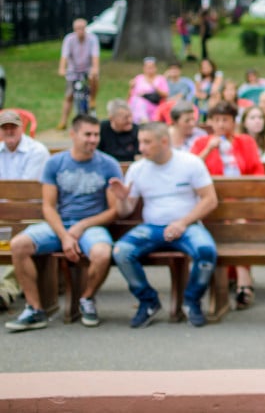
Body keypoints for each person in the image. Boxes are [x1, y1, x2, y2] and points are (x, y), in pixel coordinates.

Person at [6, 115, 121, 331]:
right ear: (73, 135)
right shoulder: (55, 163)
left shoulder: (109, 164)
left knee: (102, 253)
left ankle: (87, 299)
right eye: (88, 134)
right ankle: (34, 309)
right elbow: (48, 207)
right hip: (59, 224)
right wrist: (65, 235)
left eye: (96, 135)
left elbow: (113, 211)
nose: (93, 139)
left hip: (91, 226)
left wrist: (81, 226)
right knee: (18, 244)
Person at [109, 122, 219, 328]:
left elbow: (210, 200)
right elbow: (125, 210)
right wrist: (122, 199)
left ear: (164, 141)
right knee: (121, 251)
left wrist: (183, 223)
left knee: (206, 251)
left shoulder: (190, 163)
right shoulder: (137, 169)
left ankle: (192, 300)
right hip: (152, 227)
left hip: (188, 226)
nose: (140, 148)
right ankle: (148, 300)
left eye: (147, 142)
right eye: (139, 141)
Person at [191, 100, 265, 309]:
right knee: (234, 220)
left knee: (239, 219)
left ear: (233, 122)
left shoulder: (246, 142)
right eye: (217, 120)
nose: (221, 124)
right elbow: (191, 171)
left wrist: (247, 197)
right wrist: (208, 149)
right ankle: (243, 281)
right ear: (211, 122)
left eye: (226, 120)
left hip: (241, 203)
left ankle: (240, 278)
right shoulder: (201, 143)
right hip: (213, 204)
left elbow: (257, 171)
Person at [0, 110, 51, 313]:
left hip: (33, 213)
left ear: (22, 128)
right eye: (5, 127)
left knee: (19, 240)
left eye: (13, 126)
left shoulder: (36, 151)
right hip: (4, 212)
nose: (9, 131)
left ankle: (6, 290)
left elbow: (24, 194)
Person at [57, 18, 100, 129]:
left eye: (82, 28)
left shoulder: (92, 39)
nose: (80, 31)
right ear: (74, 29)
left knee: (94, 77)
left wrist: (95, 69)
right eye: (77, 28)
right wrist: (62, 68)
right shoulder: (69, 39)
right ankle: (63, 121)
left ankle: (92, 99)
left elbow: (95, 57)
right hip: (73, 70)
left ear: (85, 28)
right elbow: (64, 57)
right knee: (69, 95)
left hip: (87, 70)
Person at [128, 57, 169, 124]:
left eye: (151, 67)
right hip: (138, 104)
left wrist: (155, 87)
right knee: (138, 100)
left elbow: (165, 95)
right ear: (144, 68)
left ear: (155, 68)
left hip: (154, 104)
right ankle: (142, 120)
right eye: (148, 67)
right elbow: (131, 96)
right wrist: (131, 87)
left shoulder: (160, 79)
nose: (150, 70)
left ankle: (144, 121)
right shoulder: (139, 78)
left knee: (139, 101)